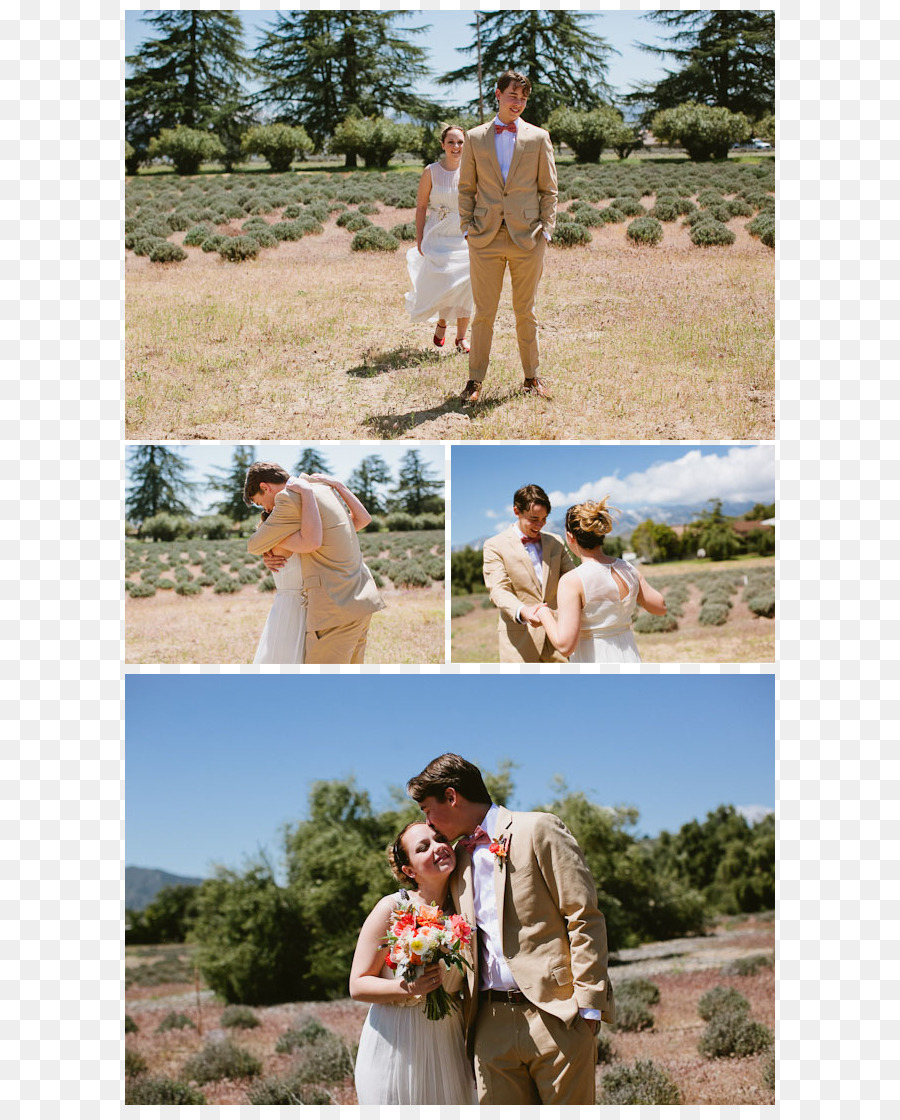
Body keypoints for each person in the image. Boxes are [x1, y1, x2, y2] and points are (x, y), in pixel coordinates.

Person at [407, 754, 614, 1105]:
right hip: (488, 1024)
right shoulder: (457, 860)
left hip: (557, 1015)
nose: (428, 821)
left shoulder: (538, 828)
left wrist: (588, 1008)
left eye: (428, 808)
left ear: (452, 796)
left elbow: (583, 915)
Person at [350, 821, 478, 1105]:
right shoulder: (392, 908)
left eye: (440, 838)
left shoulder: (464, 913)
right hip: (395, 1040)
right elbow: (357, 985)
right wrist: (408, 987)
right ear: (409, 871)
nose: (438, 848)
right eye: (423, 847)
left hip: (448, 1041)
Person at [457, 70, 558, 405]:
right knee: (483, 312)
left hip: (527, 238)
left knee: (524, 310)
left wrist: (546, 229)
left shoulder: (538, 137)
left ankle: (531, 377)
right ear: (497, 94)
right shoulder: (473, 137)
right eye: (513, 95)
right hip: (484, 237)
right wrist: (466, 226)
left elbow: (549, 190)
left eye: (524, 98)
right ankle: (474, 382)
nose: (519, 103)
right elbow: (466, 187)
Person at [244, 463, 384, 664]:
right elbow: (362, 520)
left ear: (265, 487)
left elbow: (254, 545)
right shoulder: (323, 488)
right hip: (361, 599)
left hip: (335, 608)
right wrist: (340, 486)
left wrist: (272, 539)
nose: (267, 508)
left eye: (260, 502)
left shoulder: (289, 498)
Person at [534, 498, 668, 664]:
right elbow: (660, 607)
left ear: (570, 537)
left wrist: (543, 613)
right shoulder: (628, 568)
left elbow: (565, 645)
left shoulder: (572, 581)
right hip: (630, 657)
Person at [481, 483, 575, 662]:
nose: (540, 524)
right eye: (534, 518)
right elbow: (498, 589)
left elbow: (573, 578)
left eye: (544, 518)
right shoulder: (494, 545)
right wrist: (523, 611)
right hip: (520, 643)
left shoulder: (556, 542)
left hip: (558, 638)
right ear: (517, 511)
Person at [405, 125, 473, 353]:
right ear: (443, 145)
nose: (456, 147)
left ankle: (462, 338)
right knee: (445, 282)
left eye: (460, 142)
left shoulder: (472, 169)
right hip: (438, 233)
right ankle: (442, 322)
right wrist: (420, 237)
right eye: (451, 142)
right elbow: (422, 206)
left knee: (467, 282)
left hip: (464, 233)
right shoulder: (431, 171)